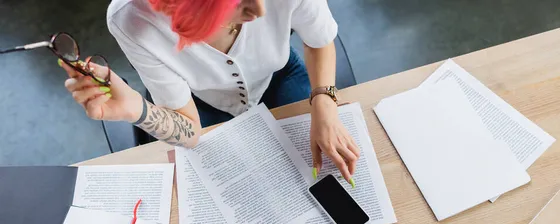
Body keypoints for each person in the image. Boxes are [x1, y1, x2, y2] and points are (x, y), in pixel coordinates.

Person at [59, 0, 360, 184]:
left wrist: (325, 102)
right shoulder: (133, 21)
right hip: (202, 102)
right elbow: (189, 131)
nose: (260, 10)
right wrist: (137, 109)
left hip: (279, 76)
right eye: (234, 1)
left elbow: (319, 40)